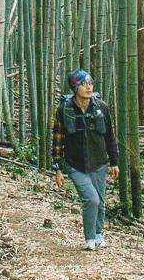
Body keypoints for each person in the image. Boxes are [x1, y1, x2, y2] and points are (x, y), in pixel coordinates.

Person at [51, 69, 120, 250]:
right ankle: (89, 238)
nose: (88, 87)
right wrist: (57, 169)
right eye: (83, 84)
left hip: (99, 162)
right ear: (75, 87)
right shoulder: (64, 110)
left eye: (90, 83)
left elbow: (110, 136)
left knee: (101, 201)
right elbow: (58, 140)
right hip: (75, 164)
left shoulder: (101, 107)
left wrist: (114, 162)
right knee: (92, 200)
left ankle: (98, 234)